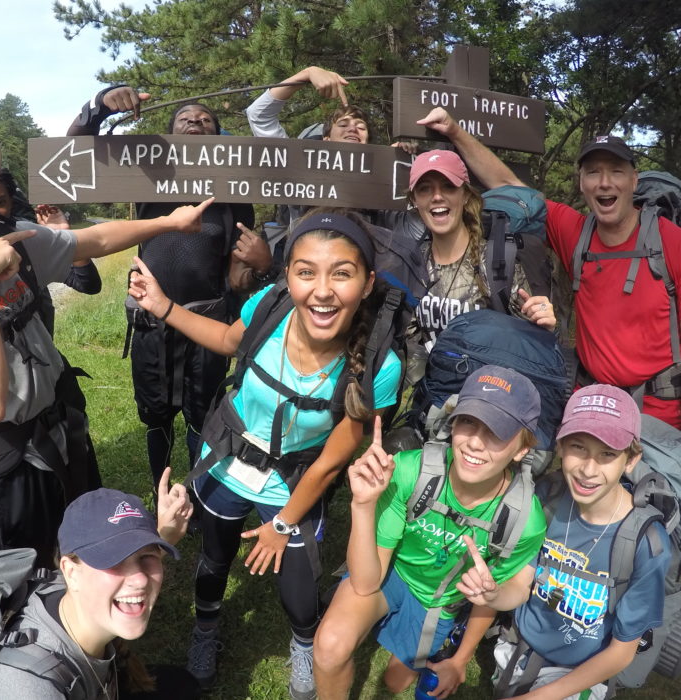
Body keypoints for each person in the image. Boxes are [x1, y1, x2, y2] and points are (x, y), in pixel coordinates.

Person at [0, 103, 212, 562]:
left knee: (90, 545)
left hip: (65, 428)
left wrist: (171, 222)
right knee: (29, 579)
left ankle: (98, 629)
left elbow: (94, 240)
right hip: (5, 466)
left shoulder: (18, 240)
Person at [128, 211, 404, 699]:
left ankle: (303, 644)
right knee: (214, 559)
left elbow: (330, 463)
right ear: (288, 277)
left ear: (367, 284)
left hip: (295, 481)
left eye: (341, 273)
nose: (321, 290)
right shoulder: (269, 306)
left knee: (300, 594)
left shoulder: (379, 365)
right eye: (305, 272)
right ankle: (206, 629)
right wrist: (164, 305)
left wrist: (281, 526)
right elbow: (226, 340)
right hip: (226, 462)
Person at [419, 108, 681, 475]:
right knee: (585, 515)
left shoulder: (674, 243)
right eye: (594, 172)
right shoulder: (576, 232)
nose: (604, 182)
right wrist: (454, 130)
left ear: (634, 180)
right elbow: (510, 188)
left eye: (616, 171)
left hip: (657, 414)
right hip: (589, 409)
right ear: (582, 182)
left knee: (651, 517)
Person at [68, 87, 272, 488]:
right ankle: (162, 488)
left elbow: (242, 256)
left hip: (209, 322)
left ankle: (197, 492)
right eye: (185, 119)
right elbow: (73, 160)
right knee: (156, 413)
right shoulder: (145, 175)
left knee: (204, 412)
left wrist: (252, 267)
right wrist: (100, 106)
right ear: (169, 135)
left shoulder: (233, 191)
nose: (196, 122)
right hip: (150, 322)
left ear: (218, 138)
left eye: (206, 120)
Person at [314, 366, 548, 699]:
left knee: (396, 681)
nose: (475, 444)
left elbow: (507, 591)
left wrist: (462, 656)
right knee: (329, 647)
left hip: (439, 600)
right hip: (392, 572)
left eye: (496, 432)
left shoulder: (524, 519)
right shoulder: (410, 471)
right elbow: (366, 582)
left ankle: (445, 637)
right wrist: (363, 505)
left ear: (522, 449)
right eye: (469, 421)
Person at [457, 384, 672, 699]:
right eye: (578, 447)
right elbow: (521, 585)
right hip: (519, 646)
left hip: (582, 670)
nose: (588, 469)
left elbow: (621, 652)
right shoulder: (549, 498)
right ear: (559, 446)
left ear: (630, 460)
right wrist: (494, 595)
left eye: (607, 454)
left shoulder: (646, 542)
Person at [0, 468, 195, 698]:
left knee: (183, 686)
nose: (139, 578)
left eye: (147, 557)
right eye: (114, 560)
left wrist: (164, 535)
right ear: (71, 572)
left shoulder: (70, 590)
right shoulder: (32, 690)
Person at [391, 149, 556, 352]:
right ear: (414, 200)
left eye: (449, 187)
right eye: (424, 189)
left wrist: (544, 326)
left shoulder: (496, 263)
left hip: (487, 382)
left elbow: (530, 345)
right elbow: (406, 343)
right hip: (428, 382)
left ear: (466, 195)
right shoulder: (411, 265)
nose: (436, 196)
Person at [0, 168, 102, 334]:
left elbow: (88, 284)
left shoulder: (25, 243)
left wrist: (65, 236)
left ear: (11, 204)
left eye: (0, 202)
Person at [245, 66, 370, 144]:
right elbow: (258, 115)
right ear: (327, 139)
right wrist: (307, 74)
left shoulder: (383, 172)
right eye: (343, 124)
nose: (353, 129)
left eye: (361, 127)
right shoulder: (296, 165)